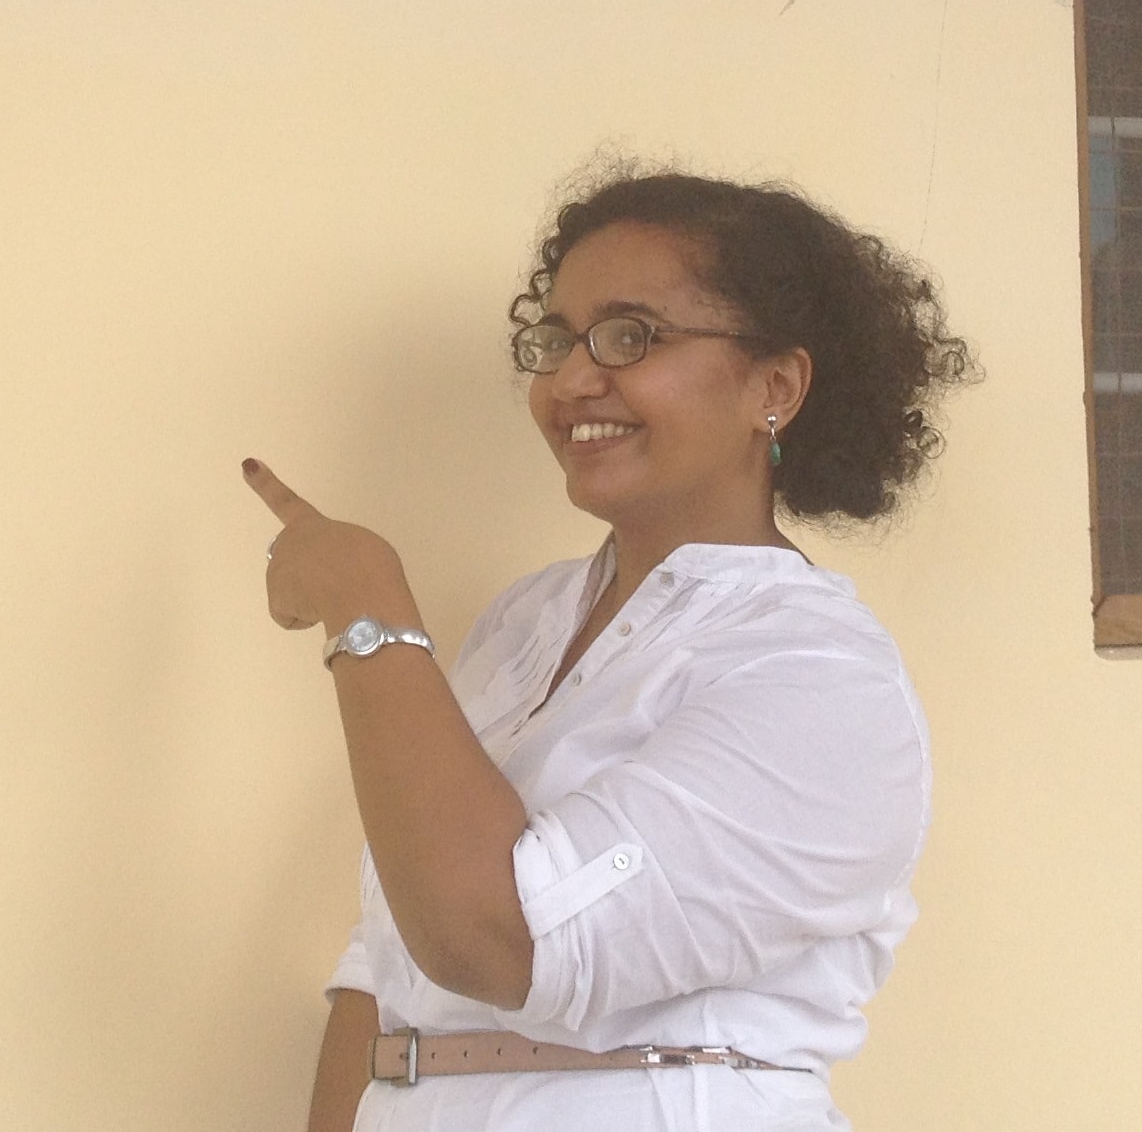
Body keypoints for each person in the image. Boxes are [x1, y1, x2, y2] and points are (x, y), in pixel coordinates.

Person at [245, 169, 972, 1132]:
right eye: (556, 340)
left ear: (776, 387)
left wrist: (366, 605)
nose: (572, 379)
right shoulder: (524, 626)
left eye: (632, 336)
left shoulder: (815, 677)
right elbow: (390, 966)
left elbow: (498, 938)